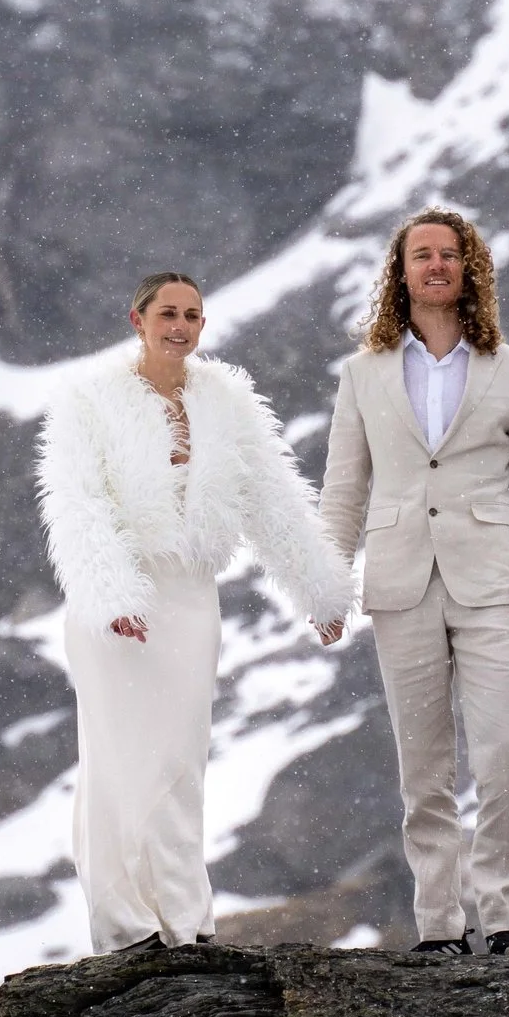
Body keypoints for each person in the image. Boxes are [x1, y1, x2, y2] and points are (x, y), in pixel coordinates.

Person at [37, 268, 350, 959]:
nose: (181, 326)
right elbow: (76, 501)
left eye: (193, 316)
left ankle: (184, 920)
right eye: (168, 313)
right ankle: (125, 924)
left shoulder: (227, 402)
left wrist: (322, 594)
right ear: (138, 320)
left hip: (190, 599)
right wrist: (113, 594)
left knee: (179, 760)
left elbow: (272, 498)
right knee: (118, 761)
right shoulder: (89, 401)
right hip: (117, 598)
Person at [316, 206, 509, 960]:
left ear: (468, 269)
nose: (435, 265)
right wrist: (324, 587)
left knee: (503, 754)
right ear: (401, 271)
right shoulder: (363, 375)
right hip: (401, 582)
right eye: (420, 254)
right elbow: (343, 491)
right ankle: (439, 924)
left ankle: (504, 914)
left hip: (493, 582)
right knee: (422, 763)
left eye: (448, 254)